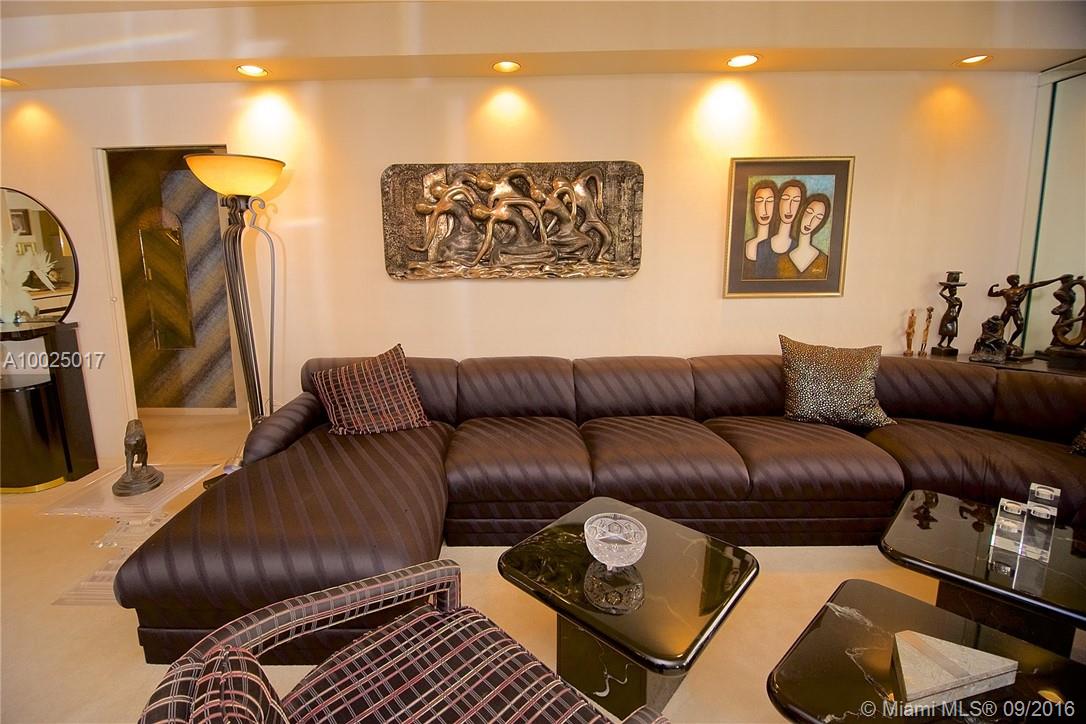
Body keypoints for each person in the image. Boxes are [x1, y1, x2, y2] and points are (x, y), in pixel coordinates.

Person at [987, 274, 1057, 354]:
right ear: (1011, 281)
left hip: (1016, 310)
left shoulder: (1023, 288)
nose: (1018, 280)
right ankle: (998, 342)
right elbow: (991, 294)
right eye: (1016, 279)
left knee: (1020, 328)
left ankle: (1010, 342)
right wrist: (993, 287)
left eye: (1018, 278)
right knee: (1001, 327)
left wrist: (1055, 279)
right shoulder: (1005, 291)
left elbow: (1038, 284)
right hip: (1007, 310)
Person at [777, 193, 830, 279]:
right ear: (801, 212)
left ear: (821, 223)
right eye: (809, 213)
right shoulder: (782, 259)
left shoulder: (824, 261)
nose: (810, 221)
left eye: (818, 217)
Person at [768, 179, 805, 255]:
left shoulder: (798, 248)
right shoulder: (762, 246)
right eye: (785, 199)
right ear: (778, 202)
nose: (790, 206)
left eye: (796, 200)